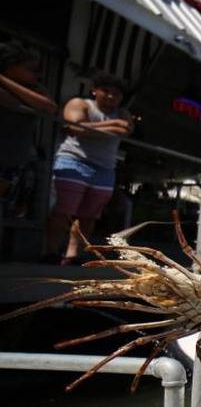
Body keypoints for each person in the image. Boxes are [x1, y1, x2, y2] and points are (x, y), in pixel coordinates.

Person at [44, 72, 134, 264]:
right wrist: (113, 124)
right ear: (95, 91)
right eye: (106, 91)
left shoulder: (123, 114)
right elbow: (75, 126)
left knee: (89, 216)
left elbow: (125, 129)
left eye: (116, 94)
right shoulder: (80, 103)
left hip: (105, 168)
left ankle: (72, 254)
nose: (111, 97)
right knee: (63, 210)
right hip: (74, 161)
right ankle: (50, 251)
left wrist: (89, 128)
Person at [0, 41, 57, 220]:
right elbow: (7, 101)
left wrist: (4, 80)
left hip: (11, 158)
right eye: (30, 68)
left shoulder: (37, 89)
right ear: (10, 66)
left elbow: (48, 107)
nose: (37, 74)